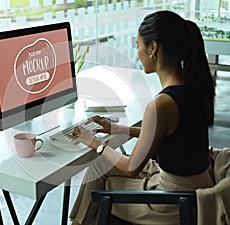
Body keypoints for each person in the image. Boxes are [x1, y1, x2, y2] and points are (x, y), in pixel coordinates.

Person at [69, 10, 216, 225]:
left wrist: (93, 142)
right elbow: (171, 138)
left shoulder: (162, 104)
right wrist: (119, 129)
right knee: (100, 168)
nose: (137, 51)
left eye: (138, 45)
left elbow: (131, 167)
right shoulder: (191, 87)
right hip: (195, 189)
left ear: (153, 48)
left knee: (101, 182)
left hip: (171, 203)